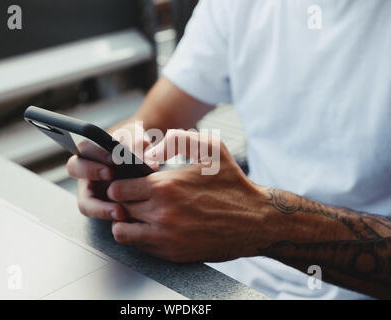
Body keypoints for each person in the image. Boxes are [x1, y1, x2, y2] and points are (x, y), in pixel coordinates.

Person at [67, 0, 391, 299]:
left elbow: (257, 220)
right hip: (234, 277)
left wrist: (263, 221)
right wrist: (112, 156)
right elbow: (149, 123)